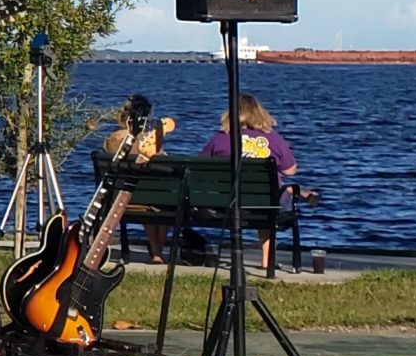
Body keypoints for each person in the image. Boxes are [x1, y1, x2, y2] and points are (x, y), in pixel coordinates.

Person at [198, 92, 300, 276]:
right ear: (259, 113)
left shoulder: (220, 139)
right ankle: (266, 259)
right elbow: (290, 170)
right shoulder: (274, 139)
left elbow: (201, 166)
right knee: (274, 196)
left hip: (228, 202)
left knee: (261, 195)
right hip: (267, 204)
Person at [104, 92, 179, 259]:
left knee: (148, 196)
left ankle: (156, 251)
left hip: (115, 197)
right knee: (161, 199)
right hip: (144, 197)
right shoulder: (147, 142)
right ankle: (157, 251)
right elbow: (164, 161)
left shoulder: (110, 140)